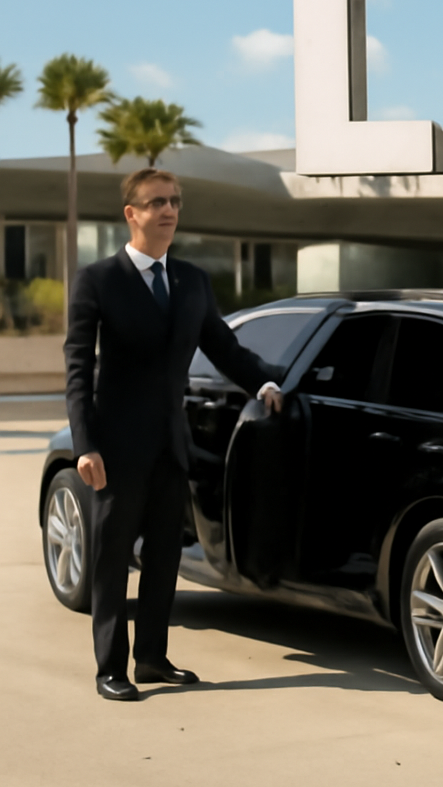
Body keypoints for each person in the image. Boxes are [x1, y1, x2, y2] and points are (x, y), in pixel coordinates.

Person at [65, 168, 285, 702]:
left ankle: (153, 658)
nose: (169, 210)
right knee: (112, 559)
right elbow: (76, 368)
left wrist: (263, 380)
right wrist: (84, 445)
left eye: (175, 202)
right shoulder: (98, 280)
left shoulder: (191, 280)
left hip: (172, 442)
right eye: (157, 202)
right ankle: (109, 667)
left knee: (165, 556)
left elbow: (220, 344)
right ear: (132, 214)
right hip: (116, 446)